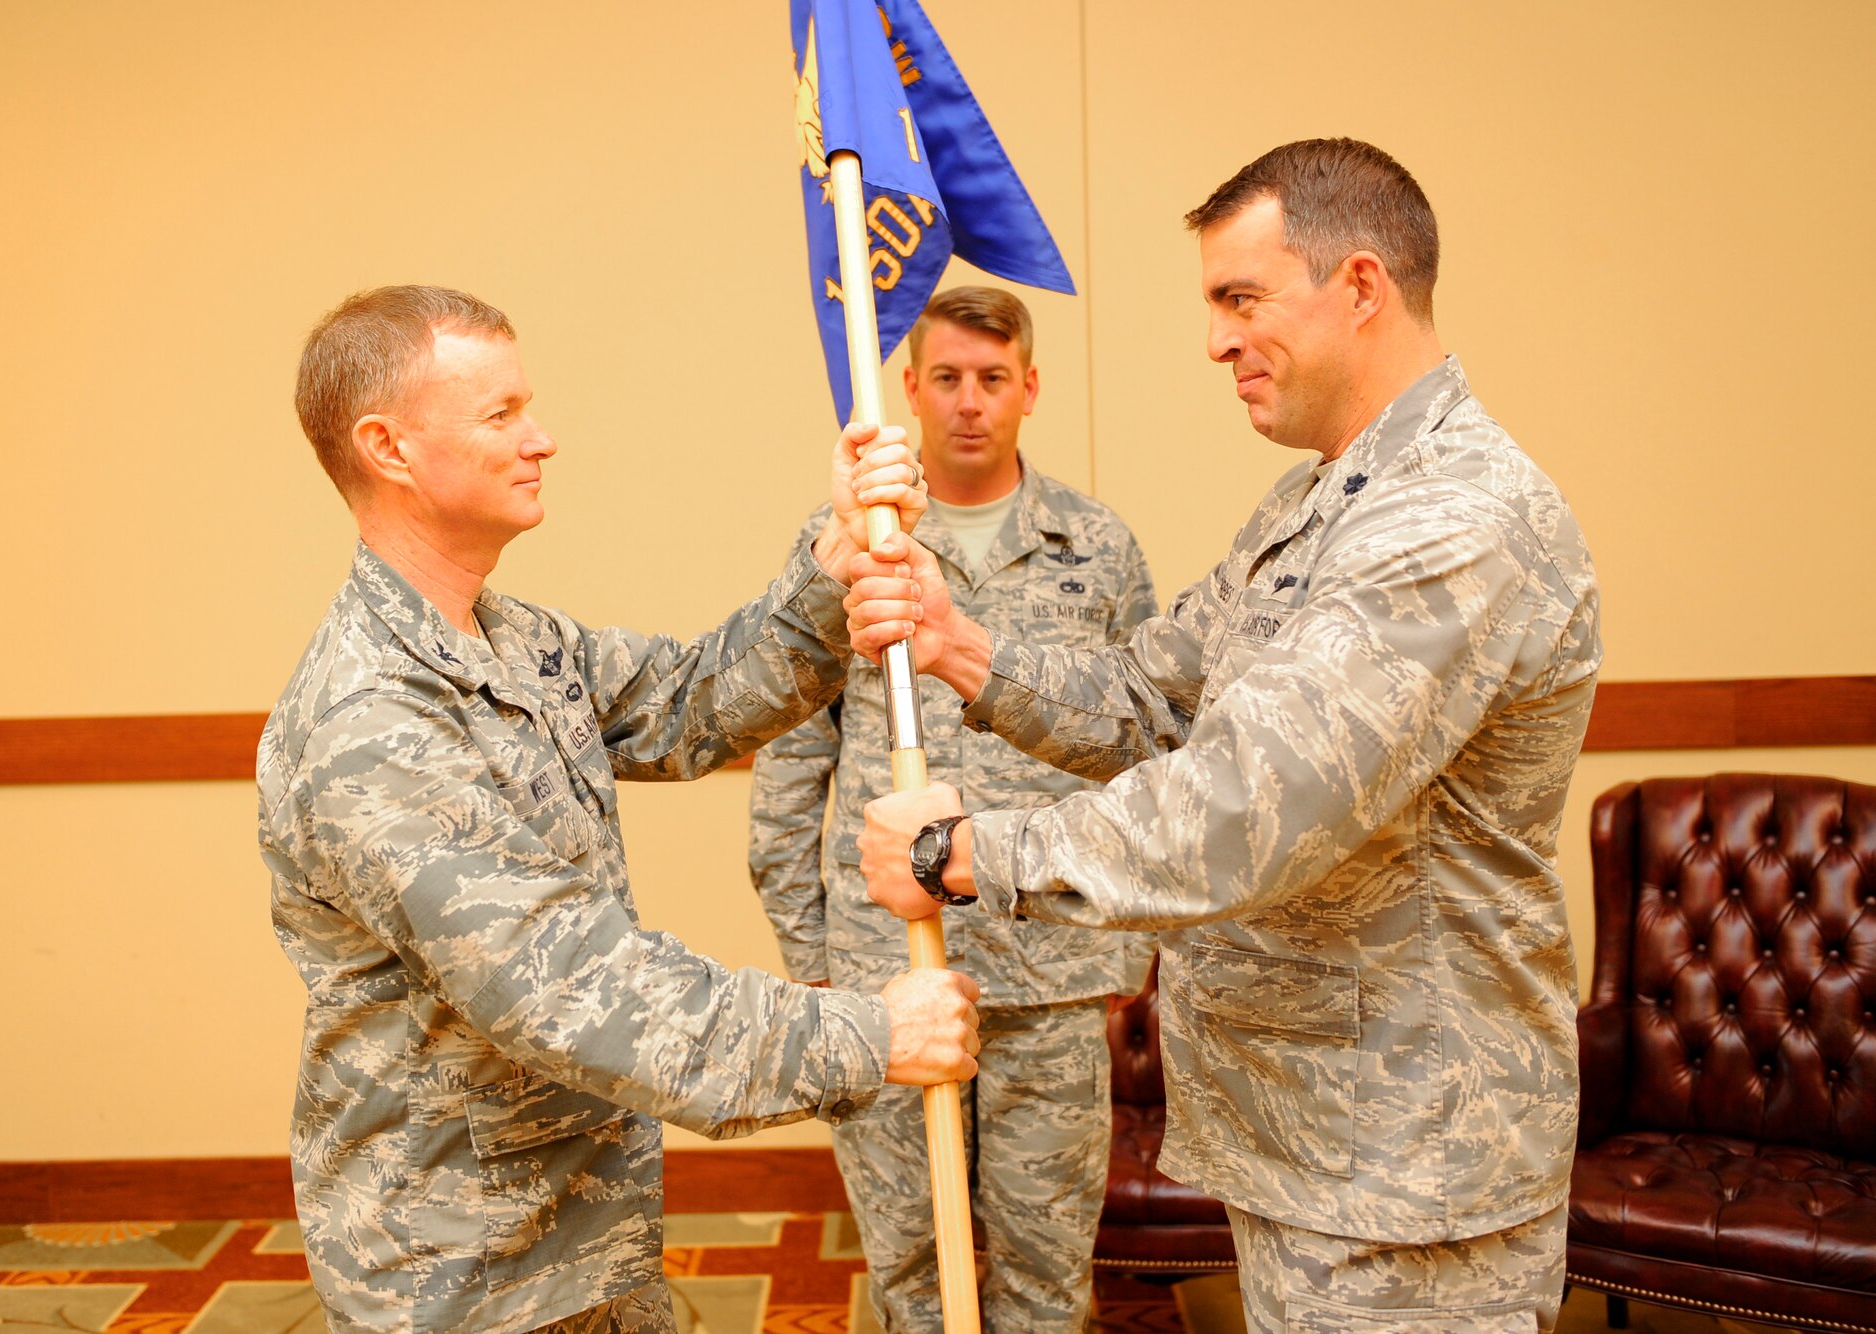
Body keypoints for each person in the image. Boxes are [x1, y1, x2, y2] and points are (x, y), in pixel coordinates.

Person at [850, 140, 1601, 1332]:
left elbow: (1247, 805)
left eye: (1240, 299)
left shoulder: (1449, 521)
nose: (1214, 340)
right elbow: (1153, 699)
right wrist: (959, 645)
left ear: (1359, 285)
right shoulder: (1316, 501)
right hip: (1315, 1135)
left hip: (1408, 1165)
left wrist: (963, 852)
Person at [256, 285, 981, 1334]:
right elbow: (568, 985)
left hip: (586, 1230)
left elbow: (690, 705)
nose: (540, 438)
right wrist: (869, 1033)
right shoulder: (369, 722)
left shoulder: (516, 639)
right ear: (388, 448)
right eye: (501, 413)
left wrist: (835, 558)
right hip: (462, 1273)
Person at [748, 286, 1158, 1332]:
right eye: (946, 378)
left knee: (1046, 1269)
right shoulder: (850, 544)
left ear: (1030, 387)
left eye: (991, 378)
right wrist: (811, 951)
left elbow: (1141, 746)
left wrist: (1127, 942)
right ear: (911, 389)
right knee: (910, 1268)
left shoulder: (1097, 546)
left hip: (1052, 965)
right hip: (886, 969)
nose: (969, 402)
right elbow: (790, 761)